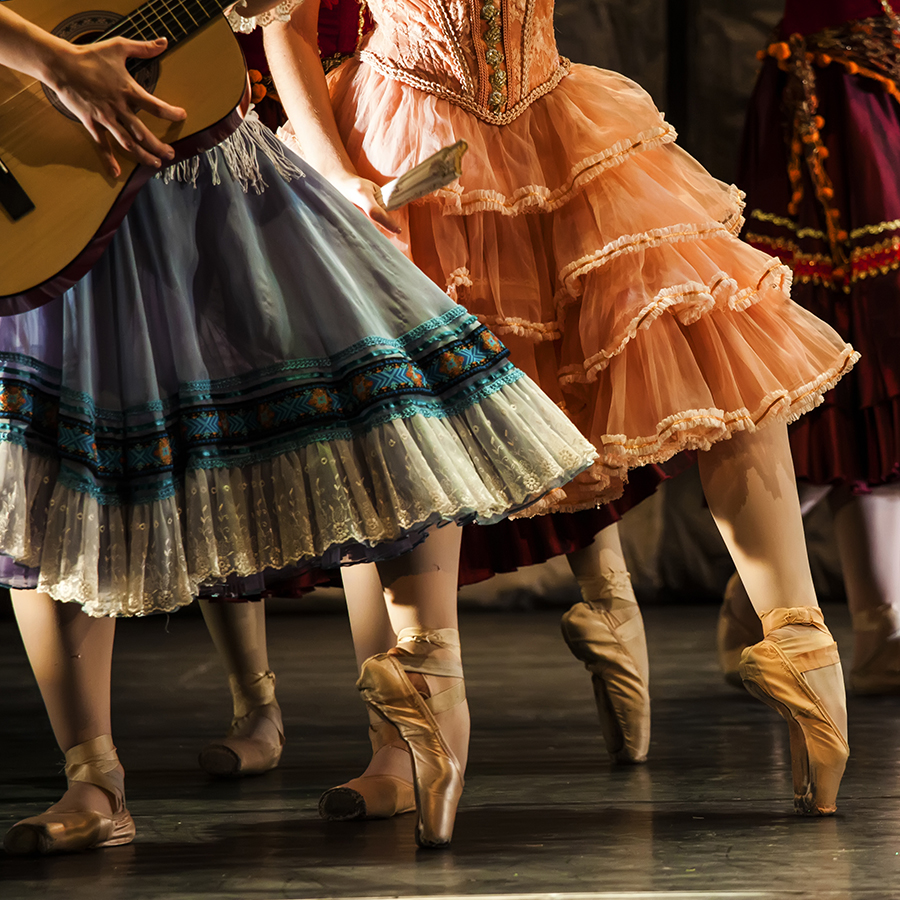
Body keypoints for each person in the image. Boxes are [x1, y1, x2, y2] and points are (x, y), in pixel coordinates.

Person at [221, 0, 861, 827]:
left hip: (555, 118)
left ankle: (801, 647)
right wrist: (331, 163)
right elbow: (289, 24)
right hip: (402, 124)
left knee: (707, 336)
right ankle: (414, 712)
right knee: (408, 393)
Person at [0, 4, 598, 853]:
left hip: (209, 168)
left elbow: (275, 21)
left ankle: (416, 717)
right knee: (49, 467)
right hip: (52, 172)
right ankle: (93, 779)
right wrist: (53, 60)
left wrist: (326, 151)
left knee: (373, 390)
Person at [718, 0, 900, 695]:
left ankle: (881, 629)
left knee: (881, 393)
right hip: (831, 93)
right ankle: (761, 601)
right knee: (840, 366)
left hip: (879, 78)